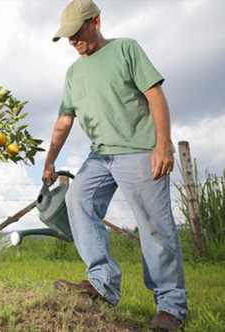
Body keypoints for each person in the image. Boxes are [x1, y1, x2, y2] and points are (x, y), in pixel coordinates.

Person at [42, 0, 187, 331]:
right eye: (68, 37)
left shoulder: (126, 49)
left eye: (77, 33)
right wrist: (50, 157)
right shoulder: (73, 73)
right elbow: (65, 120)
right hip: (100, 155)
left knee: (154, 226)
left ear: (95, 21)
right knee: (77, 198)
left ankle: (171, 307)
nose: (73, 42)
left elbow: (155, 96)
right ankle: (102, 284)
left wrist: (163, 144)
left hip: (139, 149)